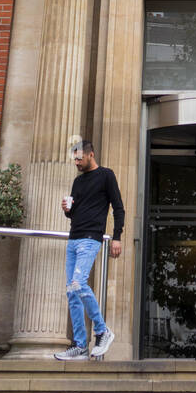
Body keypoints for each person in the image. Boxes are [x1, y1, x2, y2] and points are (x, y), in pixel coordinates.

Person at [53, 139, 124, 362]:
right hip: (74, 238)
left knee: (78, 283)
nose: (76, 162)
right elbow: (75, 213)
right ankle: (80, 345)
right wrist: (67, 210)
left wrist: (117, 237)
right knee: (71, 292)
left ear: (90, 154)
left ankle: (102, 332)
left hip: (91, 237)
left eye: (79, 158)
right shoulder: (78, 182)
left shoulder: (106, 175)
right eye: (74, 158)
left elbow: (118, 207)